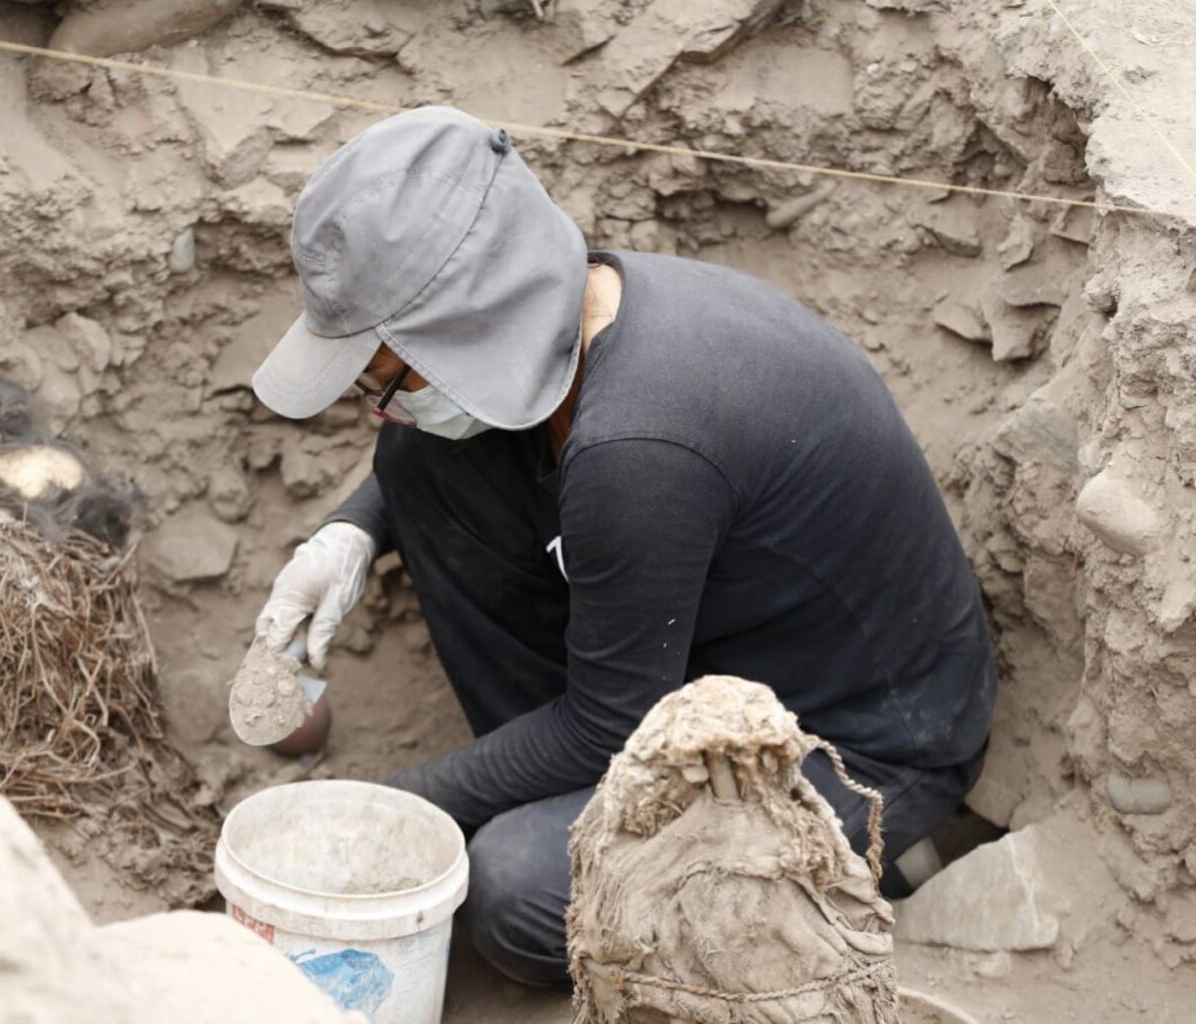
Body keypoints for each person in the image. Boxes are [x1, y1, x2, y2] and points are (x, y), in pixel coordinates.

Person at [249, 106, 996, 986]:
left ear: (476, 322)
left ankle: (846, 869)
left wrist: (389, 814)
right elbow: (427, 442)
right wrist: (351, 531)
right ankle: (567, 798)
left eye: (389, 379)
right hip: (700, 653)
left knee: (519, 888)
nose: (381, 407)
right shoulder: (586, 306)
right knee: (421, 458)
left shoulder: (638, 450)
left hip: (858, 743)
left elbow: (606, 724)